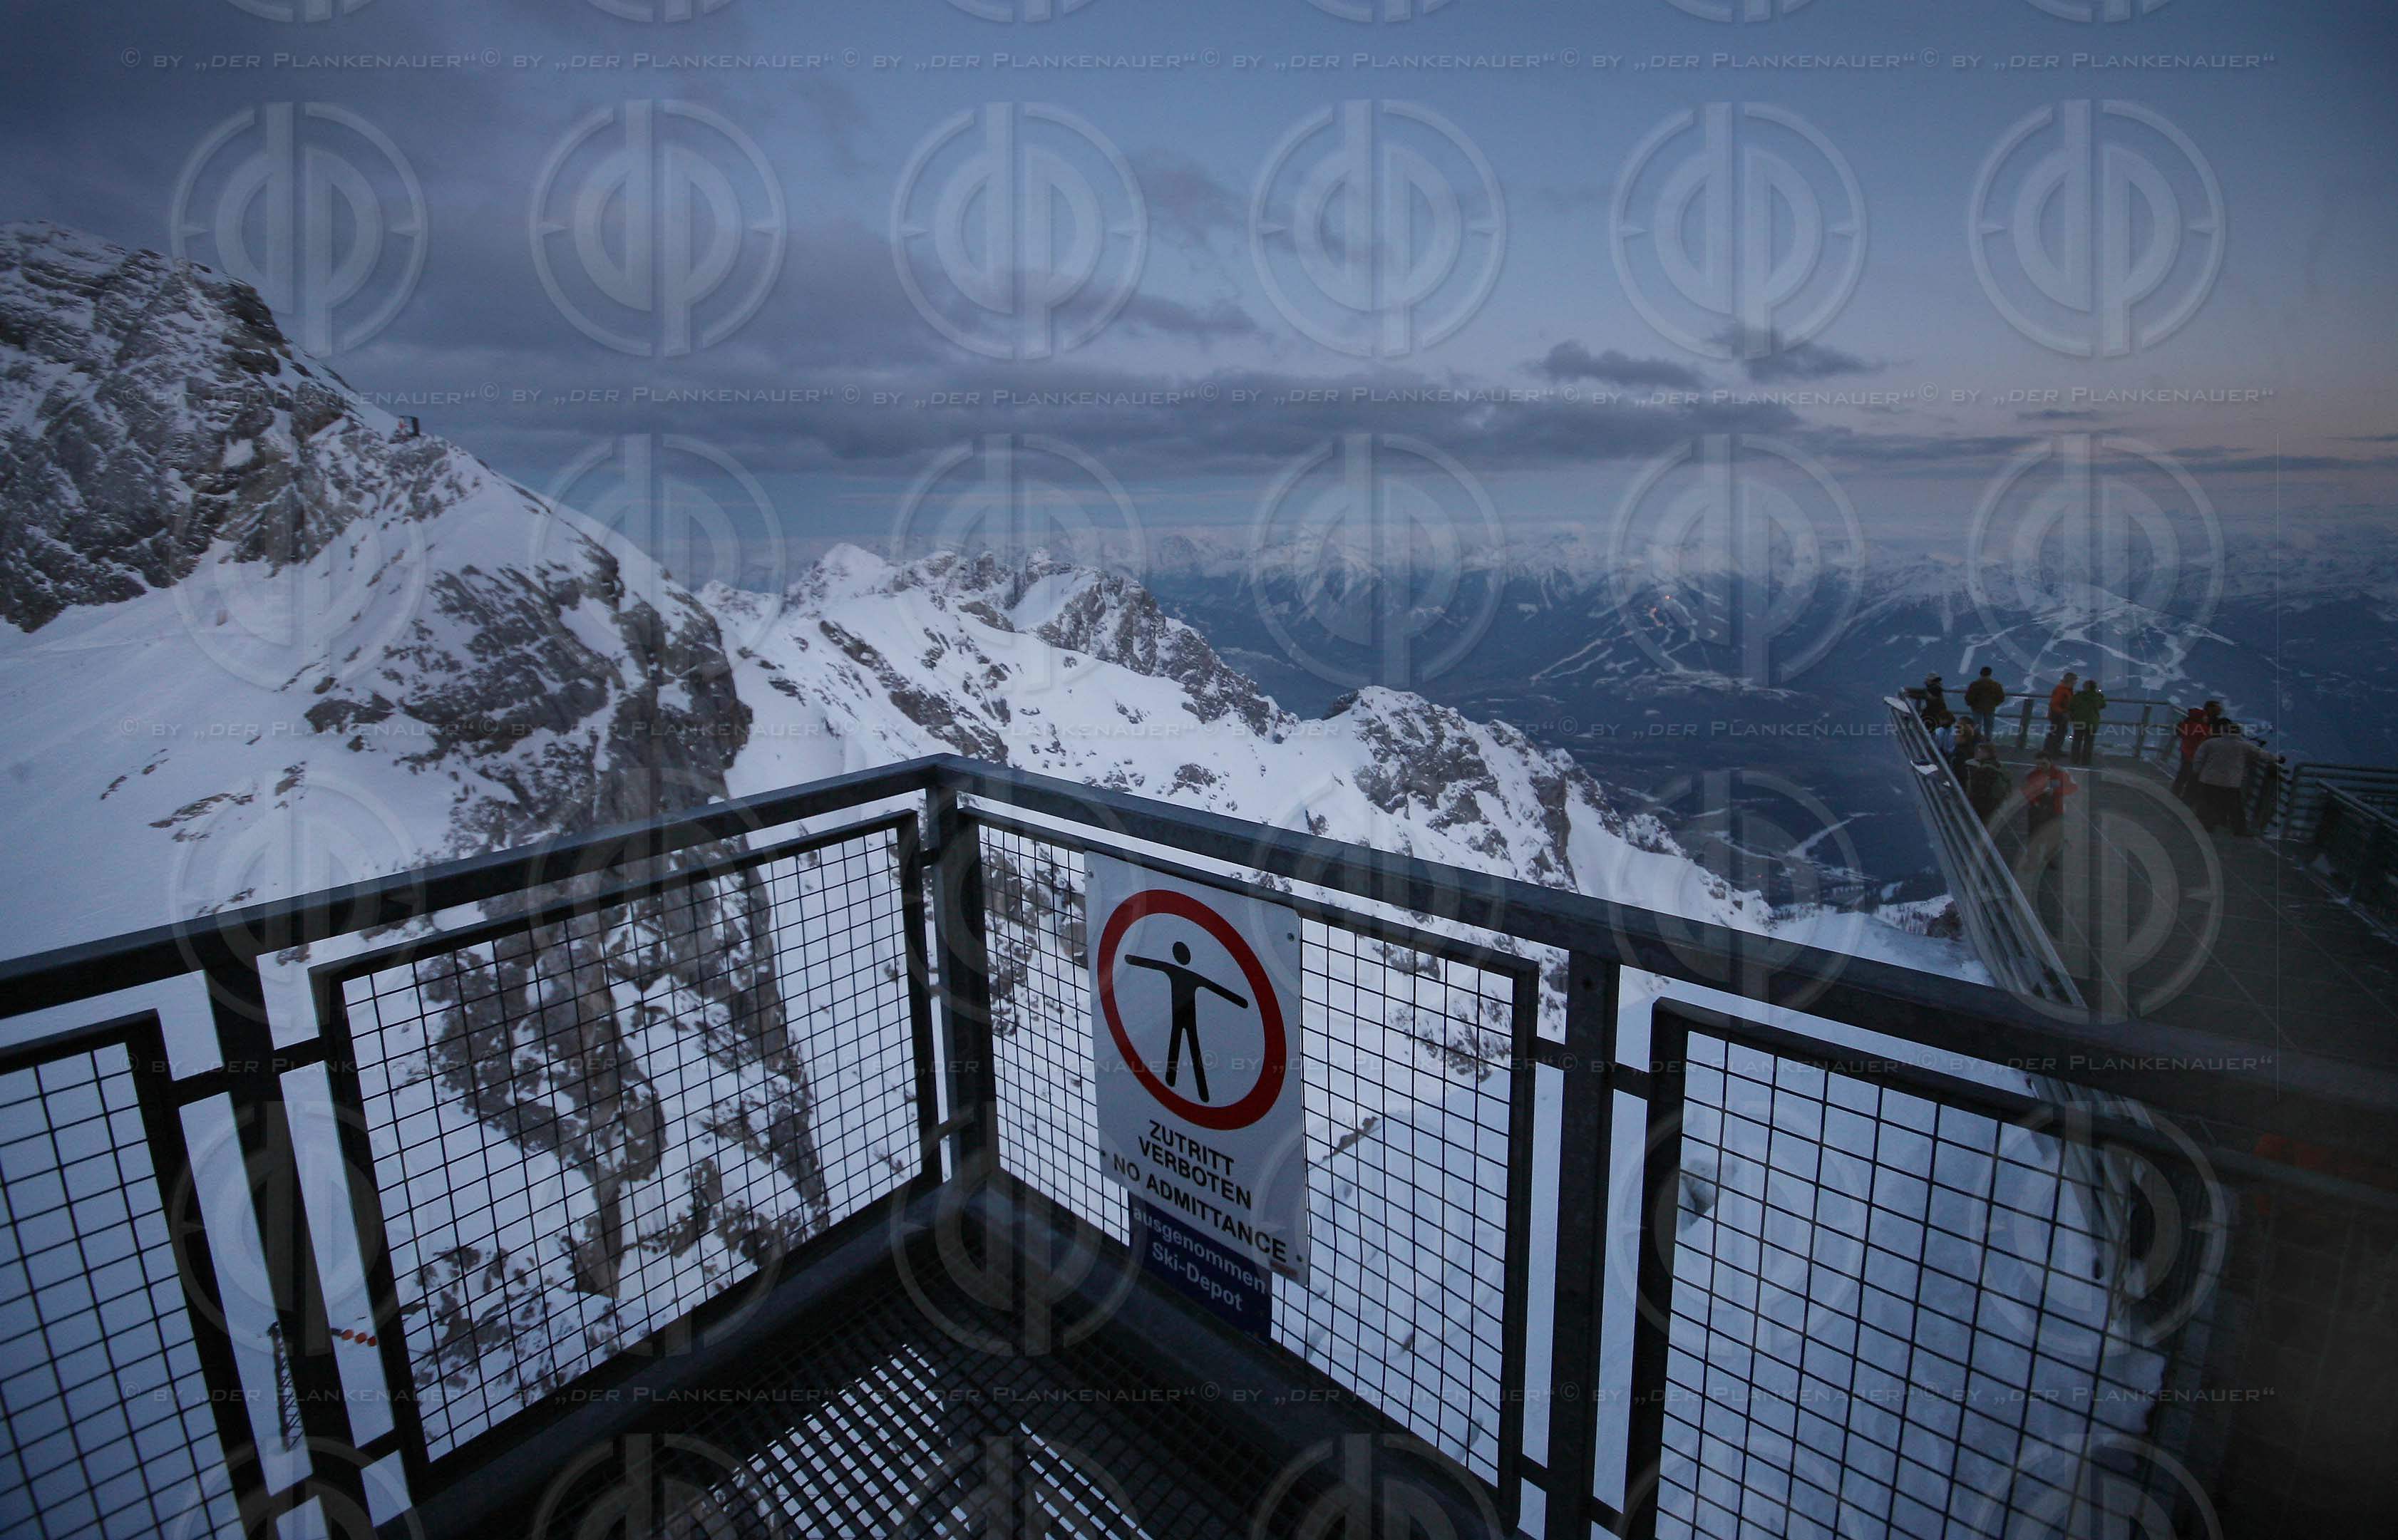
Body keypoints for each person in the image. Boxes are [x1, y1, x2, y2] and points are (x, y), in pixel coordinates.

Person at [2191, 723, 2270, 835]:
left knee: (2206, 803)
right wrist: (2277, 759)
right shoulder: (2244, 746)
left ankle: (2204, 826)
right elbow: (2261, 754)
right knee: (2235, 807)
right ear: (2239, 732)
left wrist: (2197, 771)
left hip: (2209, 779)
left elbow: (2199, 758)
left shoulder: (2211, 743)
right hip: (2231, 782)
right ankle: (2239, 830)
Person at [2022, 751, 2078, 864]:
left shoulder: (2061, 773)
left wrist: (2056, 791)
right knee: (2034, 834)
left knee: (2054, 836)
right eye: (2038, 764)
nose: (2041, 767)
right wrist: (2036, 799)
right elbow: (2026, 791)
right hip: (2037, 808)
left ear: (2050, 762)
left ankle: (2050, 859)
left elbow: (2073, 787)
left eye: (2043, 764)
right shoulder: (2032, 774)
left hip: (2055, 808)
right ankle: (2032, 858)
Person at [1965, 740, 2011, 825]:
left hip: (1984, 807)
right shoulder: (1999, 766)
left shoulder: (1984, 770)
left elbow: (1978, 792)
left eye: (1979, 751)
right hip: (1996, 805)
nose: (1976, 754)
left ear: (1987, 753)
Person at [2170, 706, 2210, 800]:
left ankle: (2176, 790)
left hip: (2185, 751)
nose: (2207, 718)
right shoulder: (2204, 729)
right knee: (2193, 777)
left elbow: (2179, 732)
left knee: (2183, 773)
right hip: (2196, 754)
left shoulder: (2185, 725)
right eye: (2205, 716)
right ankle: (2188, 796)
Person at [2067, 678, 2107, 766]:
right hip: (2092, 723)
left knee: (2077, 740)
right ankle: (2086, 761)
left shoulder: (2078, 696)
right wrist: (2100, 695)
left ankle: (2074, 759)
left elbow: (2071, 706)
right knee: (2089, 742)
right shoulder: (2098, 697)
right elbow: (2103, 705)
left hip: (2079, 721)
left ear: (2086, 687)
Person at [1964, 666, 2005, 741]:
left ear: (1981, 674)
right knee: (1989, 728)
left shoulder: (1975, 684)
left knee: (1976, 727)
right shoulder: (1996, 685)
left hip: (1977, 708)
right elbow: (2001, 697)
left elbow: (1969, 697)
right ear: (1990, 674)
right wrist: (1994, 704)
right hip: (1990, 709)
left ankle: (1976, 743)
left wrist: (1971, 704)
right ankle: (1988, 744)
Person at [2043, 672, 2078, 756]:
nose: (2075, 683)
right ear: (2070, 681)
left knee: (2060, 732)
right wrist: (2063, 712)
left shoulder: (2065, 689)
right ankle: (2051, 751)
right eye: (2074, 681)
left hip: (2060, 714)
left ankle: (2053, 750)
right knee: (2057, 732)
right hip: (2058, 715)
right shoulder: (2062, 690)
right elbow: (2055, 704)